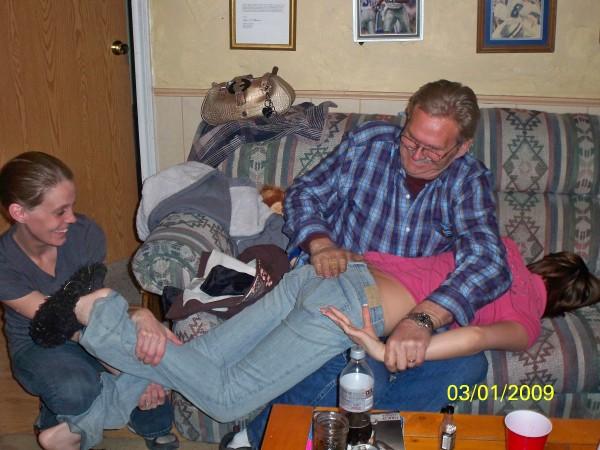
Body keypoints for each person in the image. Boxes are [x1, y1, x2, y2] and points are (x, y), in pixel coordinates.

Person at [37, 237, 600, 450]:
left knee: (202, 359)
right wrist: (386, 349)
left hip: (320, 274)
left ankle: (84, 425)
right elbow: (474, 337)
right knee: (228, 397)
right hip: (352, 308)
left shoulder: (497, 244)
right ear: (561, 306)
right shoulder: (527, 318)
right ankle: (105, 316)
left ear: (543, 263)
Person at [220, 78, 513, 449]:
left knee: (470, 366)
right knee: (360, 369)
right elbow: (305, 194)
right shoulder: (369, 143)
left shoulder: (469, 180)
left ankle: (370, 441)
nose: (415, 155)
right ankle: (252, 439)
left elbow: (490, 261)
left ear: (461, 148)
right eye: (410, 139)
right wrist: (320, 243)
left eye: (433, 150)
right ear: (407, 117)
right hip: (352, 299)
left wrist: (423, 319)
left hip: (415, 308)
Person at [0, 152, 179, 450]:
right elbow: (63, 323)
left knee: (159, 351)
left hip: (90, 324)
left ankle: (77, 417)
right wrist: (135, 372)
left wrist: (141, 318)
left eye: (71, 206)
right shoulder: (4, 263)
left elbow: (98, 313)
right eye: (59, 212)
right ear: (20, 213)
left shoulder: (84, 233)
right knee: (76, 389)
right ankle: (62, 411)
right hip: (40, 343)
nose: (71, 218)